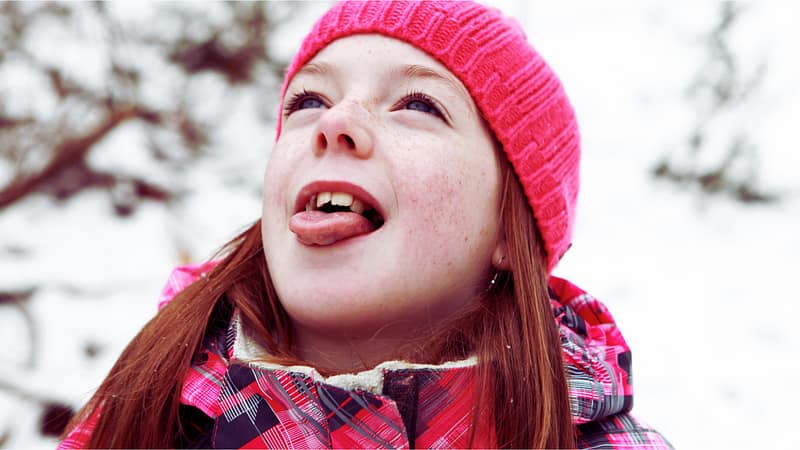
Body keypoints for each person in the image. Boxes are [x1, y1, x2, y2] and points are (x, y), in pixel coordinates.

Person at [60, 1, 671, 448]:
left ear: (512, 232)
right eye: (309, 102)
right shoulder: (139, 419)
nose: (336, 122)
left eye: (418, 105)